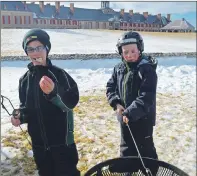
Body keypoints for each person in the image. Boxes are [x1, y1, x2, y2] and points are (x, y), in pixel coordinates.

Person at [11, 29, 80, 176]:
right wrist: (19, 116)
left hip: (62, 143)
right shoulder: (24, 80)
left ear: (47, 49)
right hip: (39, 145)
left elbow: (70, 103)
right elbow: (26, 108)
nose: (35, 53)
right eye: (30, 49)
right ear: (27, 52)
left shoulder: (60, 74)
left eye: (39, 47)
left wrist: (54, 92)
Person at [106, 31, 158, 161]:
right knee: (126, 148)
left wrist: (130, 112)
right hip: (124, 118)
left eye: (133, 51)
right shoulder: (118, 68)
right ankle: (127, 170)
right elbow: (110, 87)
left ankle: (151, 170)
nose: (129, 55)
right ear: (121, 53)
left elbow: (147, 96)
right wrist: (116, 104)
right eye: (125, 52)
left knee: (145, 150)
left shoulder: (146, 70)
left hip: (143, 119)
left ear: (140, 49)